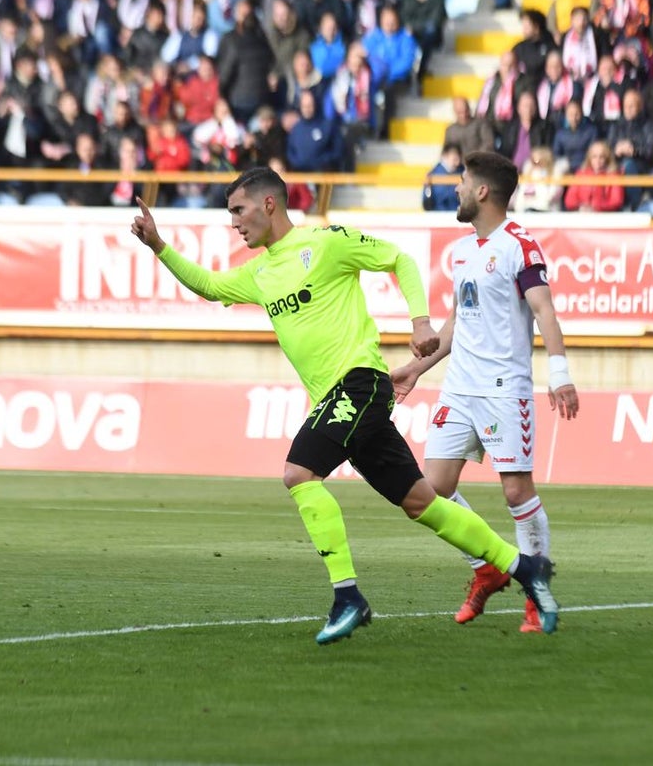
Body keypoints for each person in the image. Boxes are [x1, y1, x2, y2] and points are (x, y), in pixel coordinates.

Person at [129, 167, 559, 644]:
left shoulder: (327, 243)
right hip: (339, 399)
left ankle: (347, 595)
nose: (234, 221)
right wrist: (159, 247)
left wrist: (421, 323)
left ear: (269, 204)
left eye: (239, 209)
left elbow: (399, 259)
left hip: (359, 384)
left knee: (298, 473)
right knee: (421, 502)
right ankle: (525, 566)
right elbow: (209, 287)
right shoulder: (260, 272)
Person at [389, 151, 579, 632]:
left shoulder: (519, 245)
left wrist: (559, 373)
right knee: (432, 490)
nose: (454, 188)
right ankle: (487, 567)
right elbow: (458, 323)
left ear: (482, 192)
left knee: (516, 490)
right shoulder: (462, 250)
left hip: (503, 390)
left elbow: (545, 312)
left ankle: (537, 590)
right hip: (460, 389)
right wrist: (417, 367)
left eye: (462, 181)